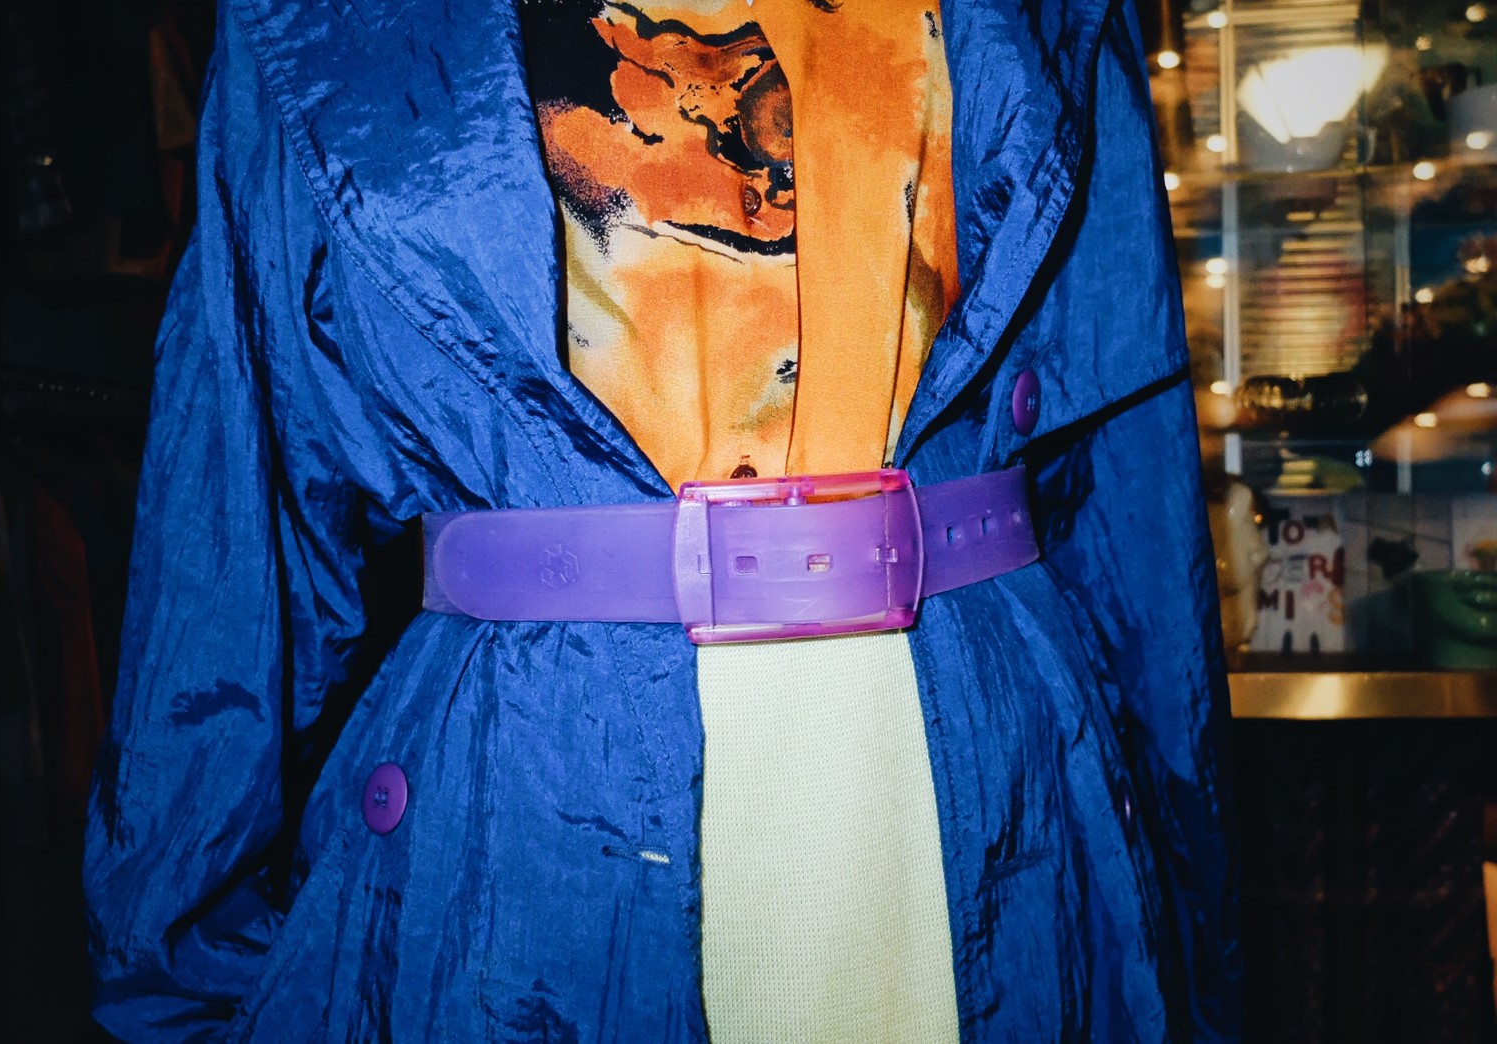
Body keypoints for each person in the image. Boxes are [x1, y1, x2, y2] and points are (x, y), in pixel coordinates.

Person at [84, 0, 1242, 1039]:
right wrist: (177, 983)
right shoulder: (317, 27)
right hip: (528, 831)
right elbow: (229, 547)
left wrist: (1196, 930)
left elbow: (1128, 499)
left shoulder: (1049, 17)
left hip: (990, 805)